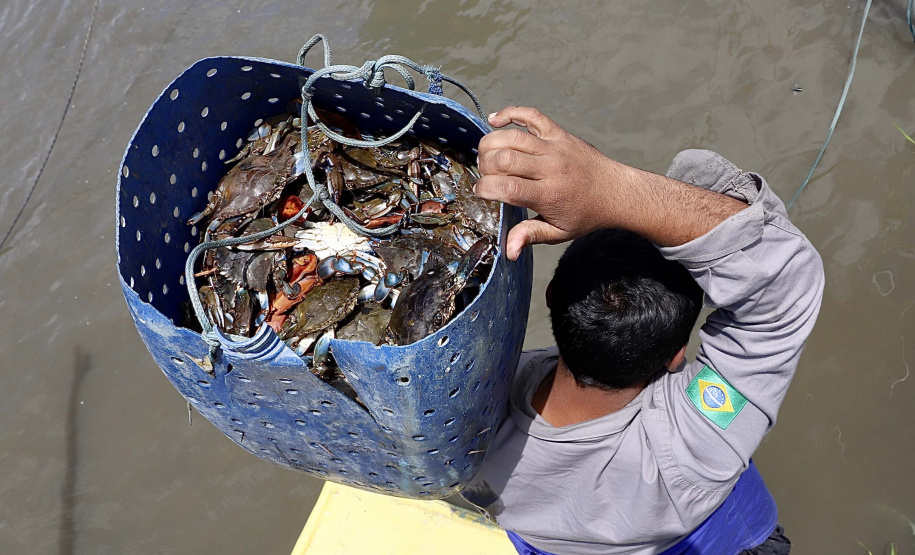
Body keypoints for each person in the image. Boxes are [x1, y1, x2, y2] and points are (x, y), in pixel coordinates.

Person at [461, 106, 824, 555]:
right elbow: (785, 282)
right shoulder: (692, 448)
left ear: (552, 294)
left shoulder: (471, 426)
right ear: (675, 356)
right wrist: (610, 188)